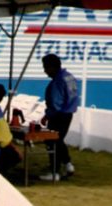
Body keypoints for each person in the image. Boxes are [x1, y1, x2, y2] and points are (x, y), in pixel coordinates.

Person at [39, 53, 79, 182]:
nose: (45, 71)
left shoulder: (58, 81)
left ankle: (54, 172)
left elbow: (56, 104)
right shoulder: (69, 77)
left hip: (58, 115)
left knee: (52, 141)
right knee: (59, 139)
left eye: (45, 67)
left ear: (52, 67)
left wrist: (47, 116)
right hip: (68, 114)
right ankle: (68, 165)